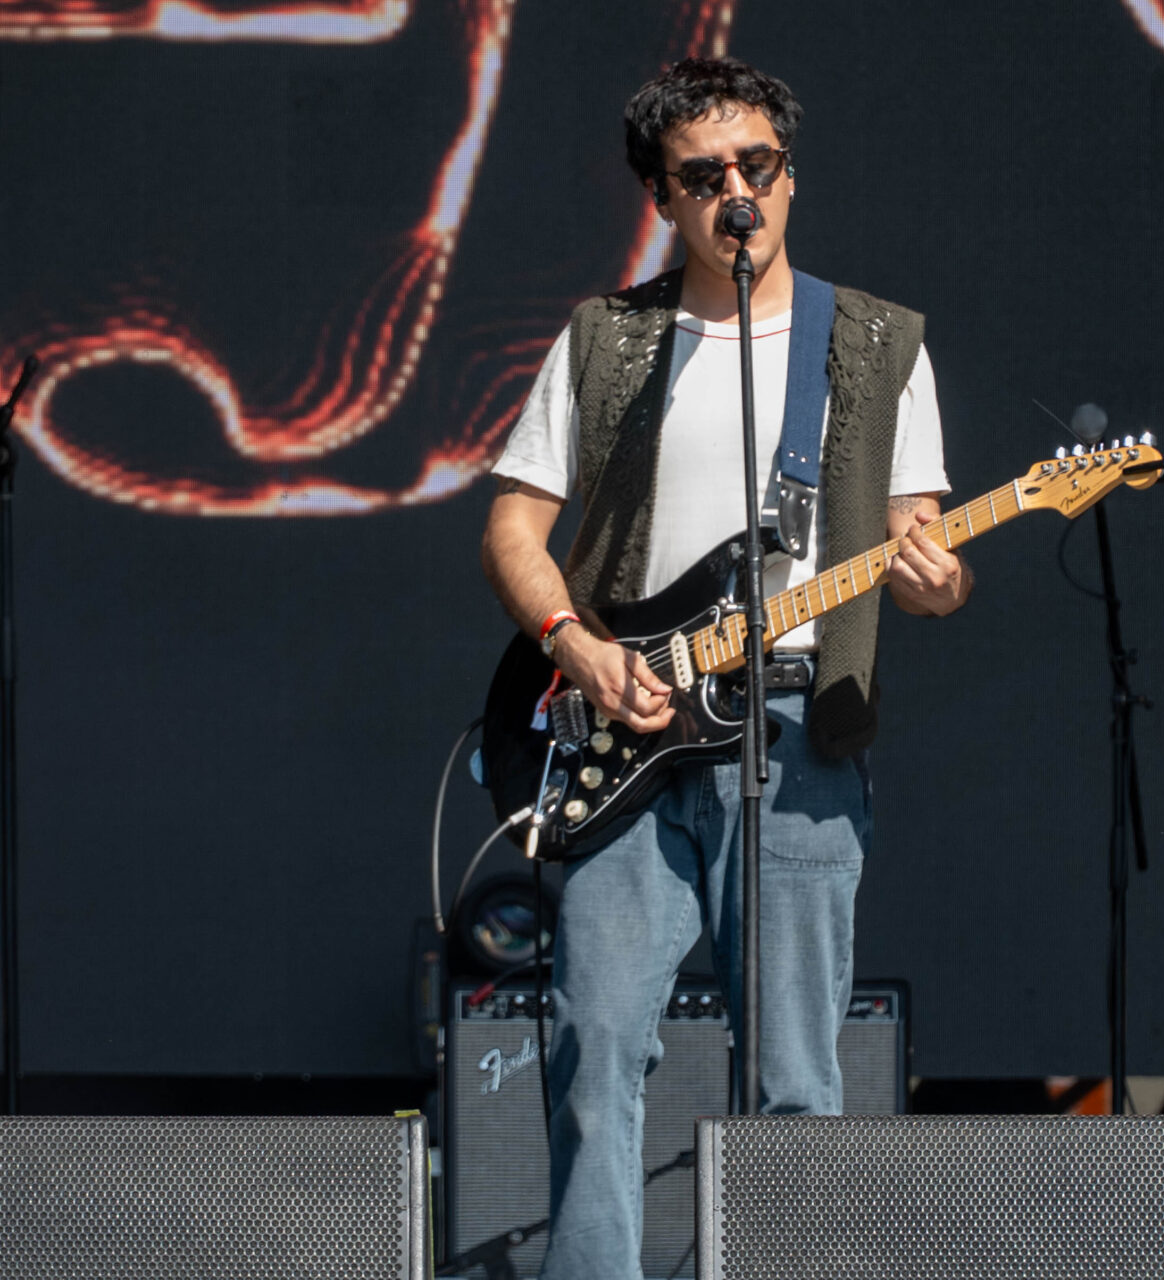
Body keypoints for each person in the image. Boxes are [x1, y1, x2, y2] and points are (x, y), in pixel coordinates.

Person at [479, 56, 971, 1278]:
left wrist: (935, 579)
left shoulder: (876, 343)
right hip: (629, 732)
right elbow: (513, 526)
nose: (736, 192)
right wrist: (577, 644)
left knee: (796, 1072)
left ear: (790, 177)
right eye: (704, 176)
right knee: (595, 1042)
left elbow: (924, 549)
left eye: (758, 165)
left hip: (796, 737)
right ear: (663, 198)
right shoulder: (606, 339)